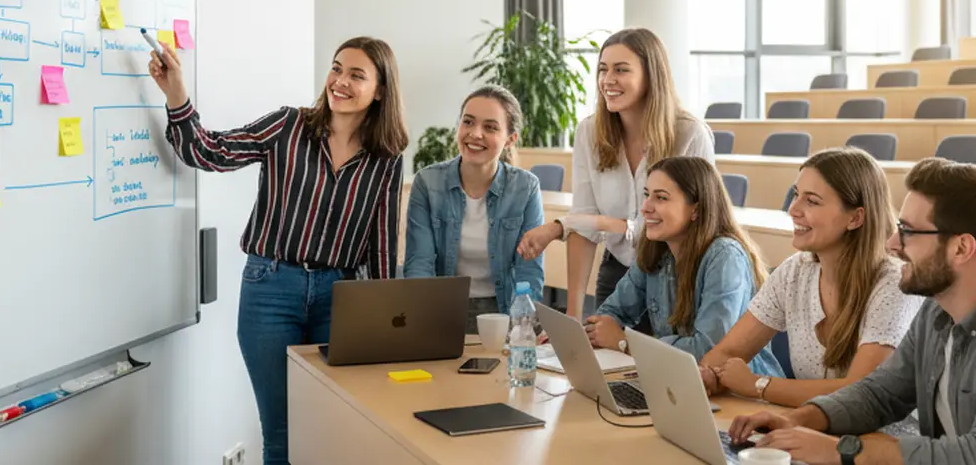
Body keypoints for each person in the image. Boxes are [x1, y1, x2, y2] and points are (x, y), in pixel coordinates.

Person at [729, 158, 976, 465]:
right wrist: (800, 420)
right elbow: (880, 394)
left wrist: (843, 451)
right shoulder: (938, 311)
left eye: (908, 231)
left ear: (961, 248)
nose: (893, 244)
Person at [151, 37, 408, 465]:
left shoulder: (387, 157)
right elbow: (208, 151)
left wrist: (386, 328)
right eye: (336, 68)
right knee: (282, 430)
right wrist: (177, 93)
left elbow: (381, 245)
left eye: (356, 75)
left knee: (333, 426)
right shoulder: (288, 126)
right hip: (270, 290)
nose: (340, 81)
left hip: (340, 298)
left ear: (380, 90)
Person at [700, 148, 922, 435]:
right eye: (796, 195)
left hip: (883, 442)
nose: (793, 209)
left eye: (812, 201)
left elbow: (858, 392)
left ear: (855, 218)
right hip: (813, 431)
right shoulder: (795, 271)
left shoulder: (895, 284)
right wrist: (712, 375)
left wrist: (758, 385)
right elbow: (728, 351)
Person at [516, 28, 716, 326]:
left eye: (621, 70)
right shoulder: (589, 132)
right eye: (603, 69)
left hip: (677, 275)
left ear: (651, 75)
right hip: (618, 273)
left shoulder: (690, 134)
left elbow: (701, 221)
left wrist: (601, 224)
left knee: (662, 356)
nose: (607, 80)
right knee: (599, 353)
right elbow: (584, 222)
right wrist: (573, 316)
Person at [583, 157, 781, 371]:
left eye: (661, 198)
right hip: (675, 378)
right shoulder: (656, 250)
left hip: (738, 387)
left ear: (696, 210)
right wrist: (597, 330)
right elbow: (608, 315)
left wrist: (625, 343)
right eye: (647, 195)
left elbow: (708, 350)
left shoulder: (725, 257)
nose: (645, 208)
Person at [403, 85, 545, 333]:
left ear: (510, 139)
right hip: (441, 310)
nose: (475, 134)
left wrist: (522, 328)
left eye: (490, 127)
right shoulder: (427, 183)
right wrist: (425, 324)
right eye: (468, 122)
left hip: (504, 312)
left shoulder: (526, 187)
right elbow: (419, 264)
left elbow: (529, 271)